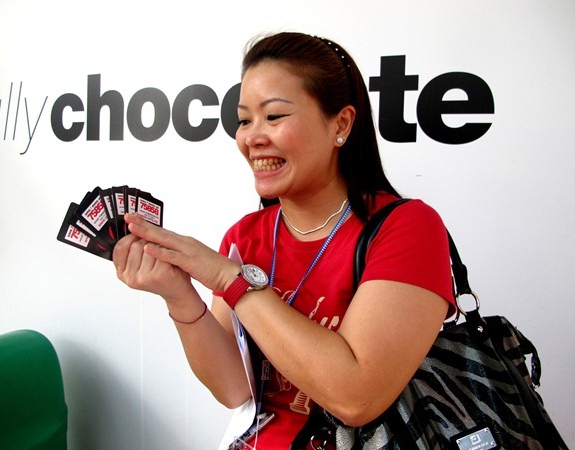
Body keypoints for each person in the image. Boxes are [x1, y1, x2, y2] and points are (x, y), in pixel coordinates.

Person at [113, 31, 456, 449]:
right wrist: (179, 294)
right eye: (244, 120)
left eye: (274, 116)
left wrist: (232, 280)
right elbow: (234, 389)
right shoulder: (246, 236)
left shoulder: (406, 227)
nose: (252, 137)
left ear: (341, 124)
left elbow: (356, 397)